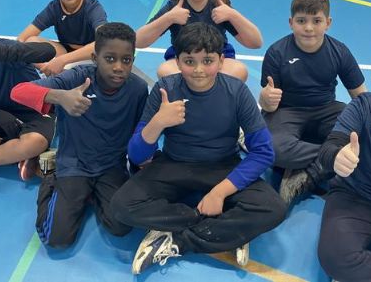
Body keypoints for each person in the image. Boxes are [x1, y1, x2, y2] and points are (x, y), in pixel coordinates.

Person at [110, 22, 286, 275]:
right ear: (177, 62)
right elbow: (137, 156)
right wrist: (158, 123)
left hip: (223, 166)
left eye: (208, 61)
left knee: (273, 208)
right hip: (174, 164)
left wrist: (220, 193)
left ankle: (178, 239)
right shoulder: (165, 90)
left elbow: (263, 152)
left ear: (221, 61)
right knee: (121, 206)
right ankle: (230, 228)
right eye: (189, 61)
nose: (199, 70)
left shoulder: (236, 92)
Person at [11, 23, 148, 248]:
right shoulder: (77, 78)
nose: (118, 67)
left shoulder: (138, 89)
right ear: (95, 58)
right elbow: (18, 92)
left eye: (126, 60)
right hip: (74, 164)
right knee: (56, 239)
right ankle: (51, 179)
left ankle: (90, 193)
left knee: (121, 227)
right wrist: (60, 97)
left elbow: (138, 131)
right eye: (110, 59)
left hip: (111, 167)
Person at [259, 0, 366, 204]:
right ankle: (332, 158)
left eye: (316, 21)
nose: (309, 28)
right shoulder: (276, 52)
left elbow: (361, 98)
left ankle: (309, 172)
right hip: (287, 111)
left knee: (364, 137)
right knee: (270, 148)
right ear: (291, 23)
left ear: (328, 23)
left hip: (327, 109)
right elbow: (268, 105)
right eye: (301, 21)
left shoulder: (339, 51)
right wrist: (265, 100)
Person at [135, 0, 262, 82]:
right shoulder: (174, 8)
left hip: (215, 57)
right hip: (185, 58)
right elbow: (138, 41)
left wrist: (233, 15)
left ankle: (214, 93)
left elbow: (256, 42)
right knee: (165, 71)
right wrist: (169, 18)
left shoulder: (219, 7)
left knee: (239, 70)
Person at [317, 48, 371, 282]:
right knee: (336, 258)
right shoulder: (361, 107)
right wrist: (338, 157)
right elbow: (329, 148)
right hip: (357, 197)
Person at [0, 30, 56, 180]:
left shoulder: (2, 47)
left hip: (33, 111)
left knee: (35, 142)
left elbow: (48, 51)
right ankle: (21, 154)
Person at [18, 0, 107, 76]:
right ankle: (56, 74)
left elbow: (104, 42)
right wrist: (45, 67)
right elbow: (22, 39)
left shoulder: (93, 8)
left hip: (90, 55)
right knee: (31, 41)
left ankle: (67, 75)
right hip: (65, 51)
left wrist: (62, 60)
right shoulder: (54, 8)